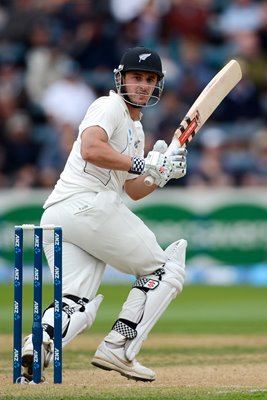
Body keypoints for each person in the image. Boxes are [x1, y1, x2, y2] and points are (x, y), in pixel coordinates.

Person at [21, 46, 187, 383]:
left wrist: (161, 173)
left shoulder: (136, 130)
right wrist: (145, 164)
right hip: (87, 205)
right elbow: (91, 148)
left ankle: (35, 350)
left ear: (158, 85)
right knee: (165, 270)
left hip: (59, 216)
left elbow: (132, 190)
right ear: (121, 79)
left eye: (149, 79)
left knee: (77, 303)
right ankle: (119, 347)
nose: (142, 84)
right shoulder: (108, 105)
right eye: (136, 77)